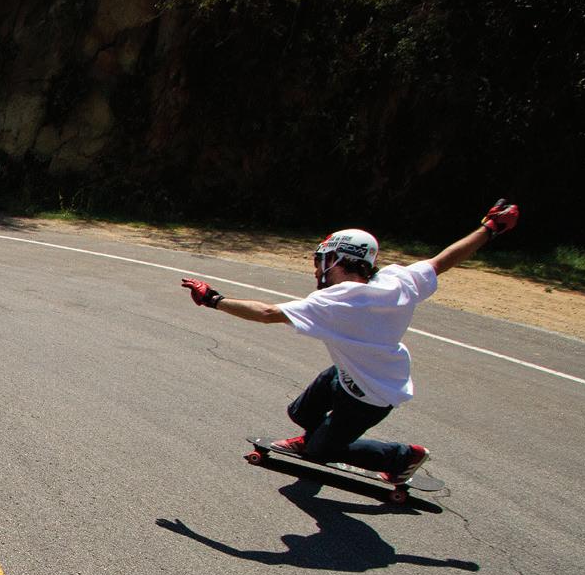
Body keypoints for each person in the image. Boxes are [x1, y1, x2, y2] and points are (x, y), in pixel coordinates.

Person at [179, 199, 520, 482]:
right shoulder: (396, 280)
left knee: (322, 451)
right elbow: (443, 260)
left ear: (339, 260)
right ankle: (316, 437)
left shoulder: (338, 301)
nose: (317, 269)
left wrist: (214, 299)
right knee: (300, 411)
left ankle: (402, 457)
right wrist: (490, 228)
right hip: (350, 372)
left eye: (321, 261)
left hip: (371, 394)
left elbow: (267, 313)